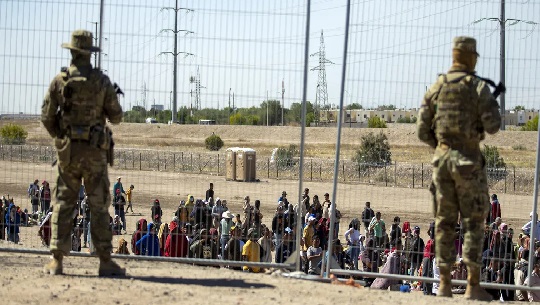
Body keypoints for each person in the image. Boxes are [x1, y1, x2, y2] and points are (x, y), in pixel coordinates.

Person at [417, 36, 501, 300]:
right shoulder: (477, 87)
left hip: (442, 165)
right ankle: (472, 285)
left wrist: (441, 147)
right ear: (471, 57)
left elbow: (421, 129)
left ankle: (442, 284)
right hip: (468, 165)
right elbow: (493, 125)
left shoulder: (437, 86)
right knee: (473, 223)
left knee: (444, 223)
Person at [41, 30, 125, 276]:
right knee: (99, 206)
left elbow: (46, 116)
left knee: (63, 204)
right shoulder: (101, 81)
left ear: (72, 52)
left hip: (68, 153)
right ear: (90, 53)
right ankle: (104, 261)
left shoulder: (60, 80)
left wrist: (61, 135)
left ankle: (57, 260)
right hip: (95, 153)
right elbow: (117, 116)